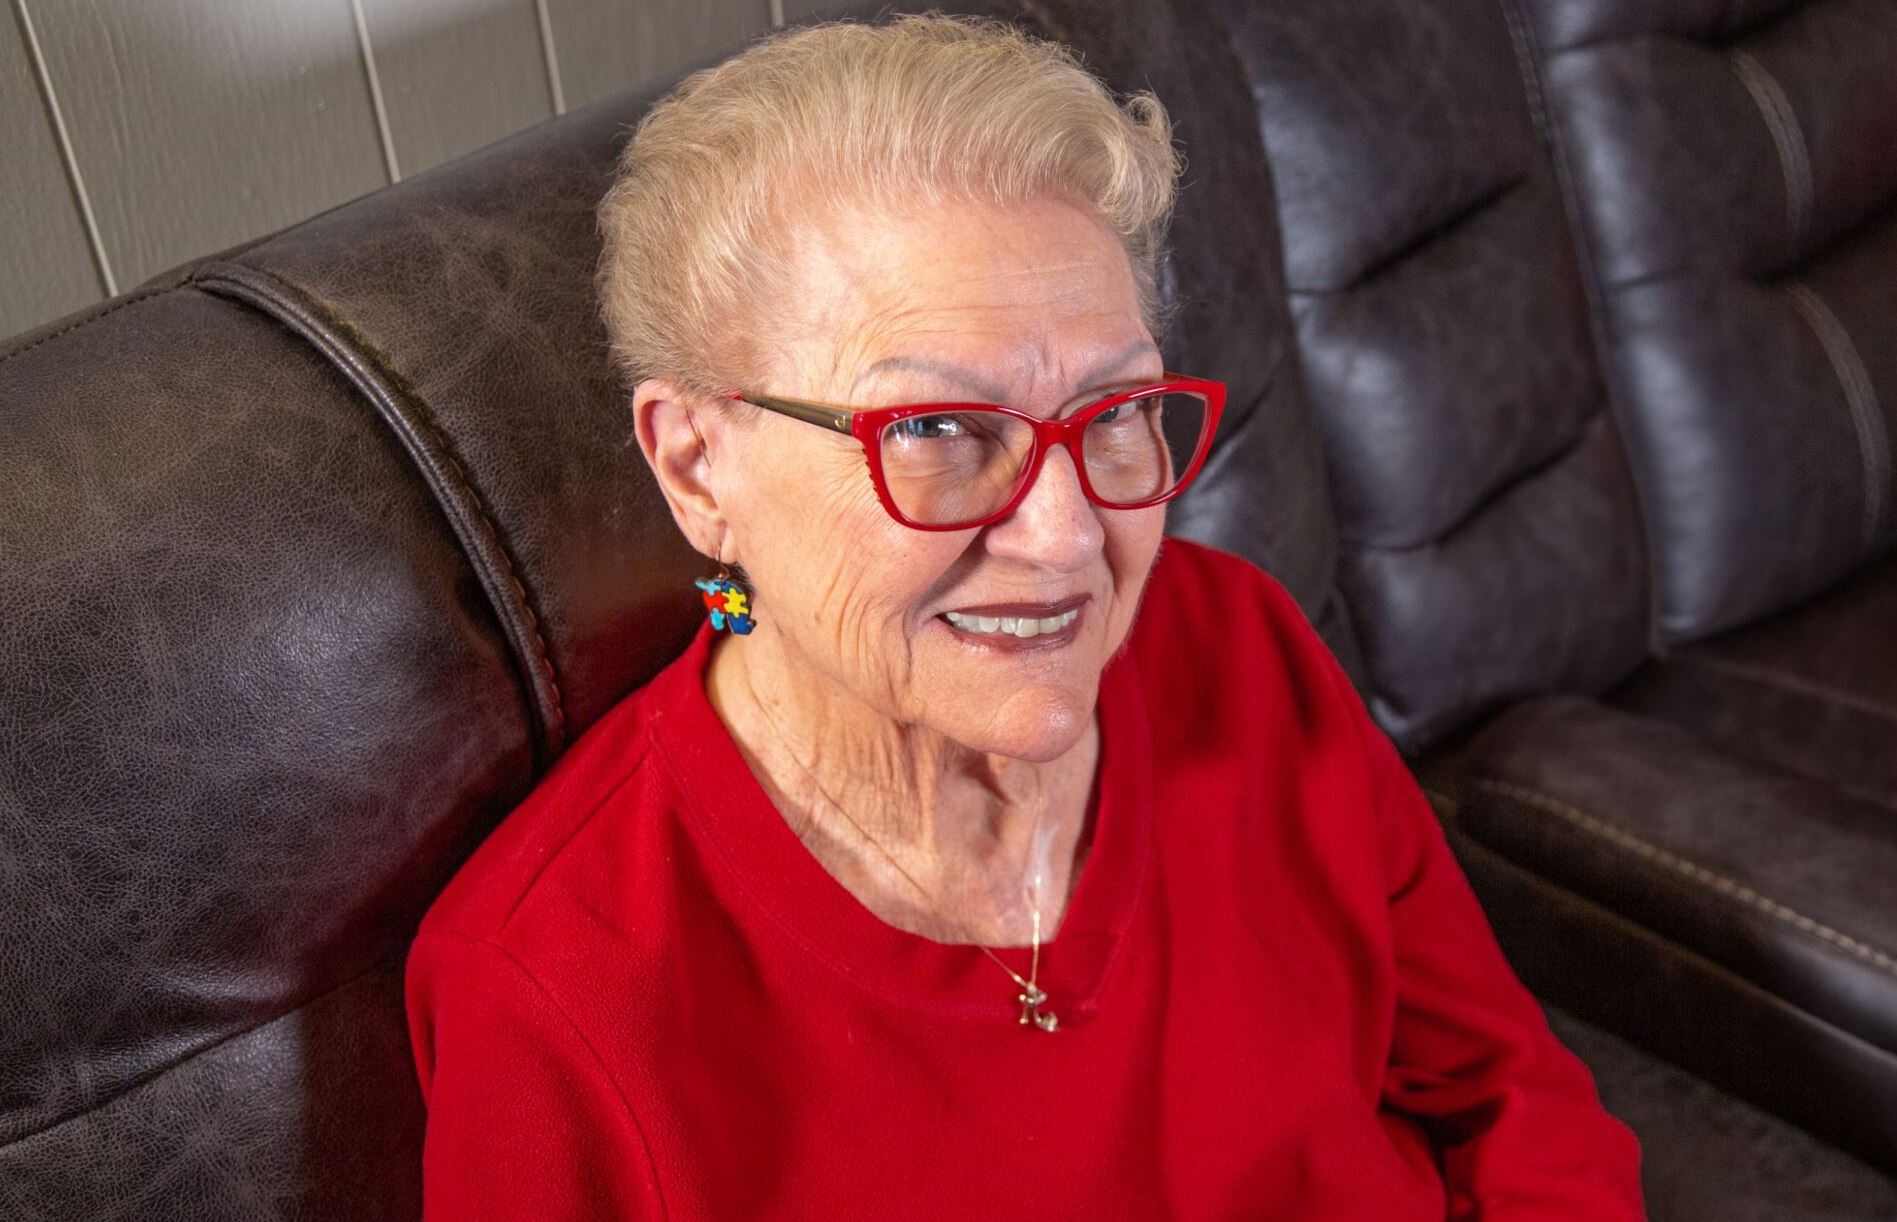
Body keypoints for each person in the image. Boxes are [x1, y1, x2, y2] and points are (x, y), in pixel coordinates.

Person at [404, 14, 1645, 1219]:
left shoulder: (1235, 643)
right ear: (694, 468)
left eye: (1112, 412)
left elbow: (1511, 1098)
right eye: (936, 430)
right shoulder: (559, 995)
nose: (1064, 539)